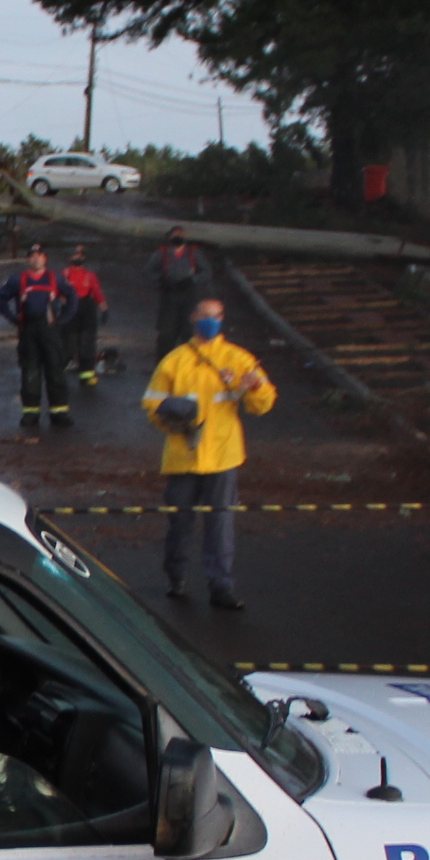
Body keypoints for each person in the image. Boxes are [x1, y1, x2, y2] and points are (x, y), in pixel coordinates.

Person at [141, 299, 279, 610]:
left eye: (217, 317)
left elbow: (263, 403)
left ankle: (221, 587)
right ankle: (176, 577)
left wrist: (254, 388)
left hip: (222, 457)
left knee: (220, 525)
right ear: (193, 318)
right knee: (180, 522)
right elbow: (151, 405)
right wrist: (173, 419)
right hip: (183, 455)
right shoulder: (174, 362)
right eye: (206, 316)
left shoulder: (238, 359)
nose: (211, 322)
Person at [0, 246, 79, 439]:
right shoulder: (18, 280)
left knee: (55, 370)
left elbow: (73, 297)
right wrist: (12, 318)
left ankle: (59, 413)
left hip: (50, 330)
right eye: (32, 256)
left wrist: (63, 320)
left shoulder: (56, 278)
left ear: (45, 258)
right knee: (30, 371)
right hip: (28, 331)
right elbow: (0, 298)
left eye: (39, 256)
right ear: (27, 260)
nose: (36, 259)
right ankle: (31, 414)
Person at [146, 226, 215, 355]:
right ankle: (163, 365)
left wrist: (193, 280)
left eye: (181, 234)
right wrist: (161, 280)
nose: (178, 237)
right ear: (169, 238)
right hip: (169, 296)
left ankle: (187, 363)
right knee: (166, 334)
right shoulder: (162, 253)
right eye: (175, 235)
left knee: (188, 332)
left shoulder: (194, 253)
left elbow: (207, 272)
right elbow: (148, 272)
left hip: (189, 296)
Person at [61, 246, 109, 387]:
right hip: (70, 310)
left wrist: (104, 308)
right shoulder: (64, 274)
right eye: (75, 256)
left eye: (81, 256)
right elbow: (57, 291)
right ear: (70, 258)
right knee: (69, 344)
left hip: (87, 310)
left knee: (87, 344)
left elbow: (96, 292)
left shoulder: (90, 275)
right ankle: (56, 373)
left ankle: (86, 375)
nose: (78, 258)